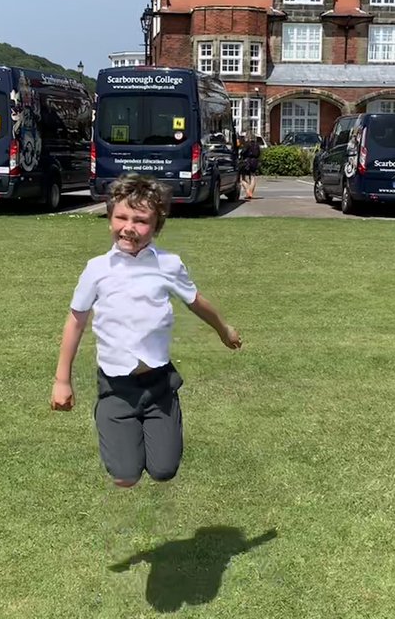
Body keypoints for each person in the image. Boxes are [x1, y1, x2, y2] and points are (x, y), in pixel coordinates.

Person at [51, 173, 242, 487]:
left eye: (140, 220)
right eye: (121, 217)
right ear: (109, 217)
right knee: (125, 476)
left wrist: (224, 329)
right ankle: (114, 425)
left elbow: (195, 301)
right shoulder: (97, 269)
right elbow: (75, 321)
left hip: (159, 385)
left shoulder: (168, 265)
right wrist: (62, 380)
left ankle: (160, 420)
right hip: (116, 386)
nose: (129, 227)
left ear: (156, 225)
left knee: (163, 471)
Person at [241, 133, 261, 199]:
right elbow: (259, 154)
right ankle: (250, 192)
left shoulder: (247, 144)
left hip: (247, 161)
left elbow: (243, 152)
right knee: (253, 177)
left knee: (242, 178)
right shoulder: (257, 145)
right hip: (255, 162)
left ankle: (248, 190)